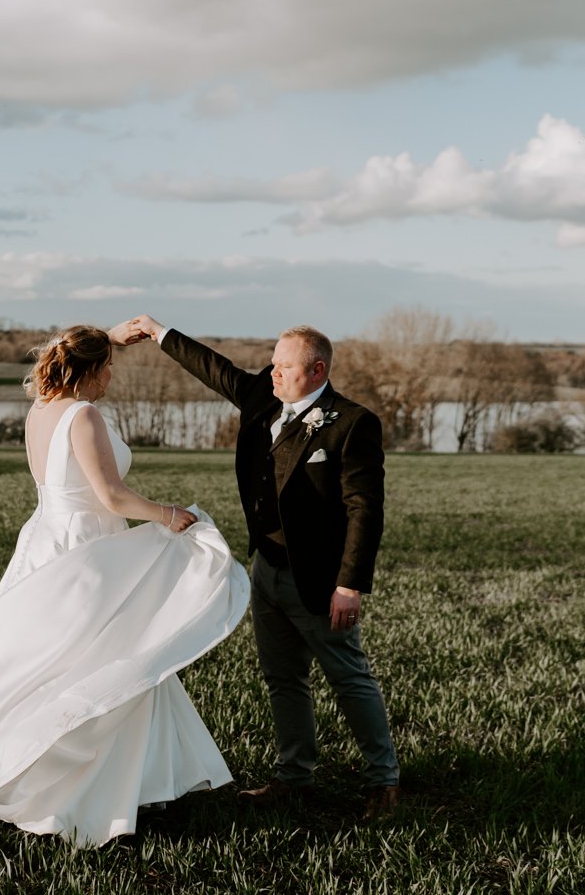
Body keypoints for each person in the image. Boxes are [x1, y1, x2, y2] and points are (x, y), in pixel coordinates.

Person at [0, 324, 250, 847]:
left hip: (46, 540)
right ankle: (88, 794)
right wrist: (168, 515)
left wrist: (102, 336)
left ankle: (113, 781)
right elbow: (111, 496)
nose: (111, 375)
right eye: (107, 366)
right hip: (86, 550)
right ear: (88, 371)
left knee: (59, 660)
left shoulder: (40, 409)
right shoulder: (83, 415)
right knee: (106, 660)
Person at [110, 315, 401, 821]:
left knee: (348, 678)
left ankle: (384, 782)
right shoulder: (265, 400)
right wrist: (159, 333)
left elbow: (364, 510)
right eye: (271, 363)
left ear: (316, 369)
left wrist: (350, 584)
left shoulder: (353, 423)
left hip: (320, 580)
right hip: (265, 569)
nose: (272, 373)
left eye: (283, 366)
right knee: (283, 679)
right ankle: (294, 777)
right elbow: (215, 369)